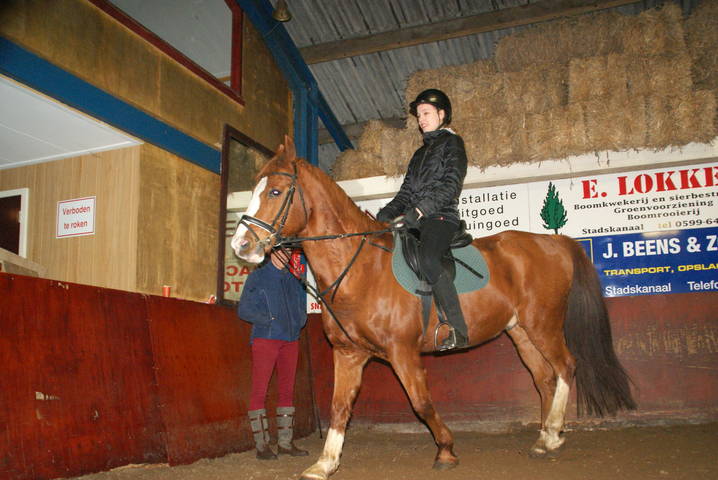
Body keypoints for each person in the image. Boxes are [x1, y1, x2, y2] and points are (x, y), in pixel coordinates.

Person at [376, 88, 469, 351]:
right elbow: (405, 193)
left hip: (441, 216)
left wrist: (420, 210)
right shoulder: (418, 155)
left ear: (442, 114)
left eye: (426, 113)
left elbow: (451, 184)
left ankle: (459, 329)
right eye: (419, 116)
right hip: (416, 220)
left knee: (428, 259)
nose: (421, 120)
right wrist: (384, 216)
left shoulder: (453, 144)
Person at [238, 246, 309, 460]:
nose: (286, 254)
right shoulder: (257, 277)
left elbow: (301, 307)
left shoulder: (294, 279)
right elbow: (244, 310)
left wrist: (297, 323)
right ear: (271, 252)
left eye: (288, 250)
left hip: (290, 341)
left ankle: (285, 443)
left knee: (287, 391)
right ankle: (262, 446)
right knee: (259, 391)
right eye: (281, 250)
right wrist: (268, 320)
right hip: (266, 339)